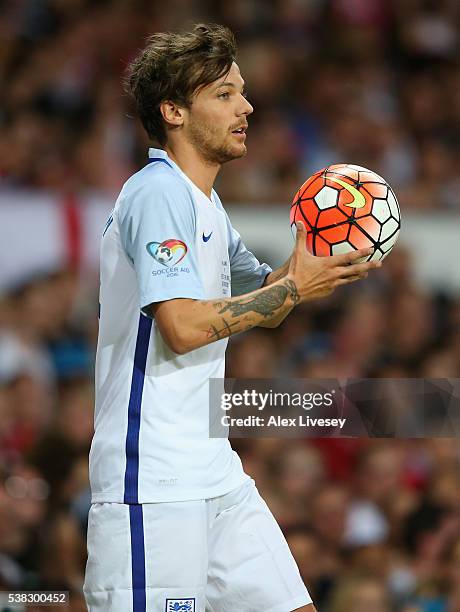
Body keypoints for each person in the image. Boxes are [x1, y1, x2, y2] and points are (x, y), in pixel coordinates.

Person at [83, 23, 380, 612]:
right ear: (173, 110)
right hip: (153, 483)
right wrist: (292, 289)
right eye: (223, 93)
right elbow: (184, 326)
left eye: (241, 91)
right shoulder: (157, 193)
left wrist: (313, 261)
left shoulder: (207, 207)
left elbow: (265, 299)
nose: (246, 105)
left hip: (215, 473)